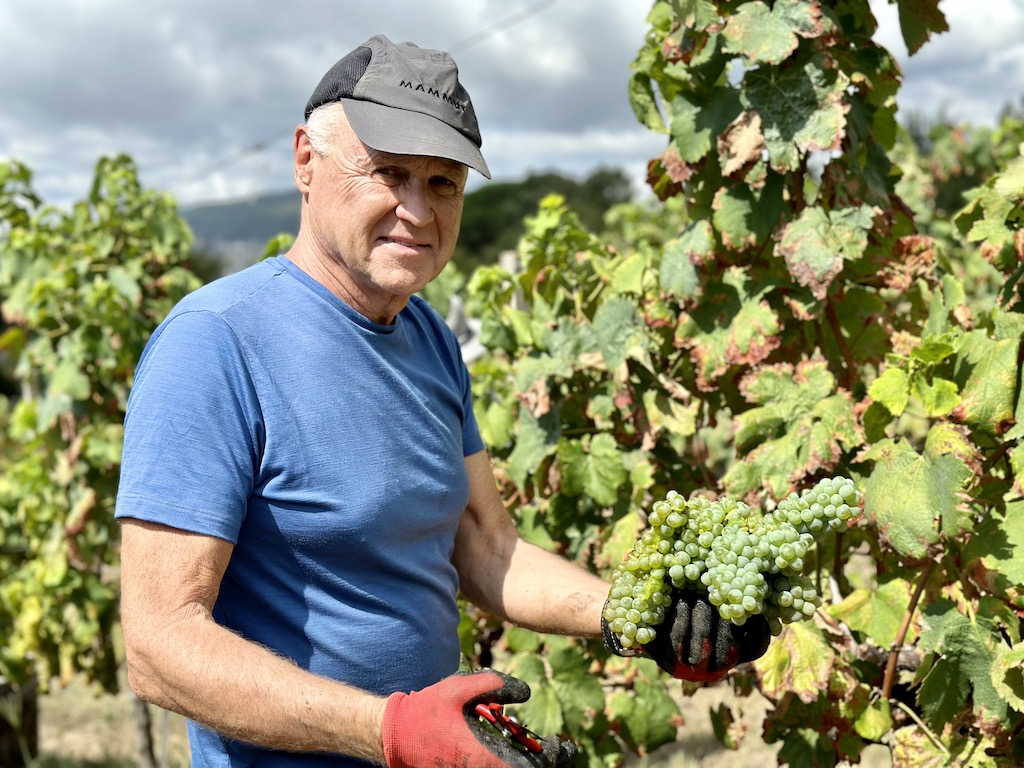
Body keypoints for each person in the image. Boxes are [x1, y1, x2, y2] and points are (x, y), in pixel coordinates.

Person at [115, 34, 769, 768]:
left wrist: (633, 615)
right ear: (306, 159)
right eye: (387, 173)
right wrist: (394, 733)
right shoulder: (215, 344)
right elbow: (159, 645)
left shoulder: (426, 334)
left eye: (445, 183)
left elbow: (485, 546)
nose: (418, 212)